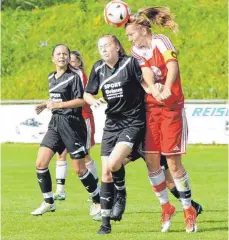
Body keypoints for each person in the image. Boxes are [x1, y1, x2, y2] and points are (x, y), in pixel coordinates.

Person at [125, 7, 199, 232]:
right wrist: (153, 91)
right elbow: (146, 73)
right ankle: (166, 207)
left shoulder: (161, 41)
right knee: (152, 163)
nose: (130, 39)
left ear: (144, 28)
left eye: (131, 34)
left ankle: (189, 210)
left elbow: (172, 65)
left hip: (172, 110)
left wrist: (166, 88)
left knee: (174, 164)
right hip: (151, 111)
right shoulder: (136, 52)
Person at [83, 35, 147, 234]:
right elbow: (87, 93)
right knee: (105, 173)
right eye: (99, 46)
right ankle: (105, 224)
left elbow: (145, 84)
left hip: (133, 122)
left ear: (117, 46)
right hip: (112, 124)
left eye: (106, 45)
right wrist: (92, 100)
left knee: (113, 164)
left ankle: (121, 191)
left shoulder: (129, 63)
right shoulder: (98, 68)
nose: (103, 49)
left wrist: (156, 88)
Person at [31, 44, 100, 218]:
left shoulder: (75, 76)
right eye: (58, 54)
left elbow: (81, 100)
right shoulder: (51, 77)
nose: (61, 56)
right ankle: (48, 202)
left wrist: (59, 105)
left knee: (79, 169)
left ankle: (99, 201)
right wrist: (44, 104)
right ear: (52, 58)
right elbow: (55, 97)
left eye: (65, 54)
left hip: (72, 125)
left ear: (69, 57)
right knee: (41, 163)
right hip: (55, 124)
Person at [54, 50, 99, 202]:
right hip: (67, 120)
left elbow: (83, 98)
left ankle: (95, 187)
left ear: (79, 63)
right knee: (61, 153)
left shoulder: (80, 76)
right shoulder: (64, 76)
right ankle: (60, 190)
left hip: (83, 119)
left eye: (74, 61)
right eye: (69, 61)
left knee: (85, 155)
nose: (71, 64)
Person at [125, 152, 203, 216]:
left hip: (151, 144)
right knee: (114, 165)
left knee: (168, 181)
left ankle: (192, 206)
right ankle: (113, 207)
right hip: (133, 141)